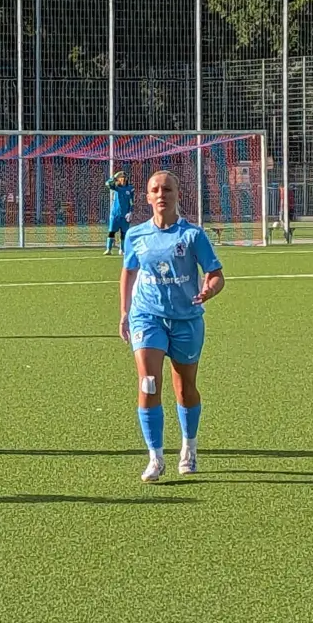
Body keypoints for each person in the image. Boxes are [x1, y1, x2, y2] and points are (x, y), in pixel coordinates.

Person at [118, 170, 225, 483]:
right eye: (155, 190)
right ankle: (155, 457)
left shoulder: (192, 235)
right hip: (147, 316)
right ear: (147, 197)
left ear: (178, 194)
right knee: (148, 382)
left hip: (186, 319)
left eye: (167, 189)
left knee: (184, 387)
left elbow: (216, 274)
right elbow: (128, 272)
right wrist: (125, 312)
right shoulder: (136, 235)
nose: (161, 194)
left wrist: (209, 290)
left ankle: (189, 447)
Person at [106, 171, 134, 255]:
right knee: (111, 232)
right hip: (115, 214)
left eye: (124, 177)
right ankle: (108, 249)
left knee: (123, 233)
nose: (123, 179)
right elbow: (107, 183)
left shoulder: (130, 188)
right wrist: (115, 177)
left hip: (125, 215)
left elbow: (132, 201)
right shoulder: (116, 187)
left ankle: (122, 249)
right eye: (121, 177)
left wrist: (131, 212)